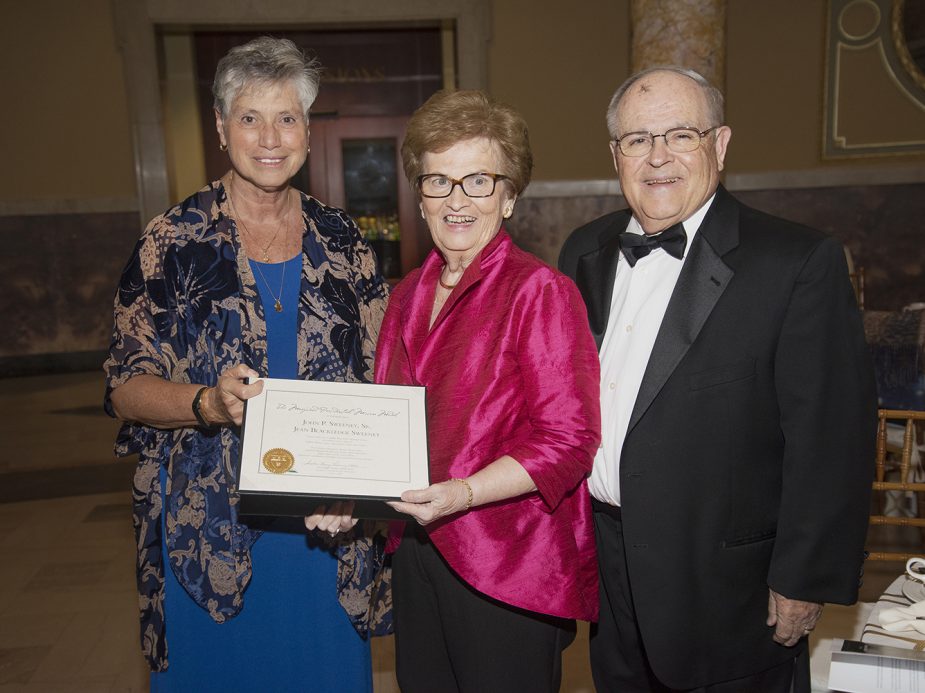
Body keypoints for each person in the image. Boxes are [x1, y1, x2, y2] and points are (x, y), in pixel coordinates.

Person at [558, 66, 877, 692]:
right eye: (637, 139)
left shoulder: (795, 261)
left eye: (680, 134)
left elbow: (831, 435)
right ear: (615, 154)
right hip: (610, 566)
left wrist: (803, 576)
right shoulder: (583, 251)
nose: (657, 158)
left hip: (731, 586)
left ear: (720, 145)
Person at [103, 37, 389, 690]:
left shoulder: (346, 244)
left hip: (326, 526)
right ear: (220, 127)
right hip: (207, 525)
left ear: (308, 131)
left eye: (286, 117)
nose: (269, 136)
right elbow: (125, 386)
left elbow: (383, 376)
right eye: (249, 117)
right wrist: (205, 401)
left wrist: (372, 485)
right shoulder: (170, 242)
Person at [374, 89, 602, 692]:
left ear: (509, 196)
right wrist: (341, 493)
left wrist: (463, 494)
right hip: (417, 546)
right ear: (418, 196)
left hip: (507, 556)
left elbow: (569, 442)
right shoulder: (405, 297)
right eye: (438, 181)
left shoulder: (540, 292)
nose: (456, 200)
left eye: (478, 180)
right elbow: (383, 421)